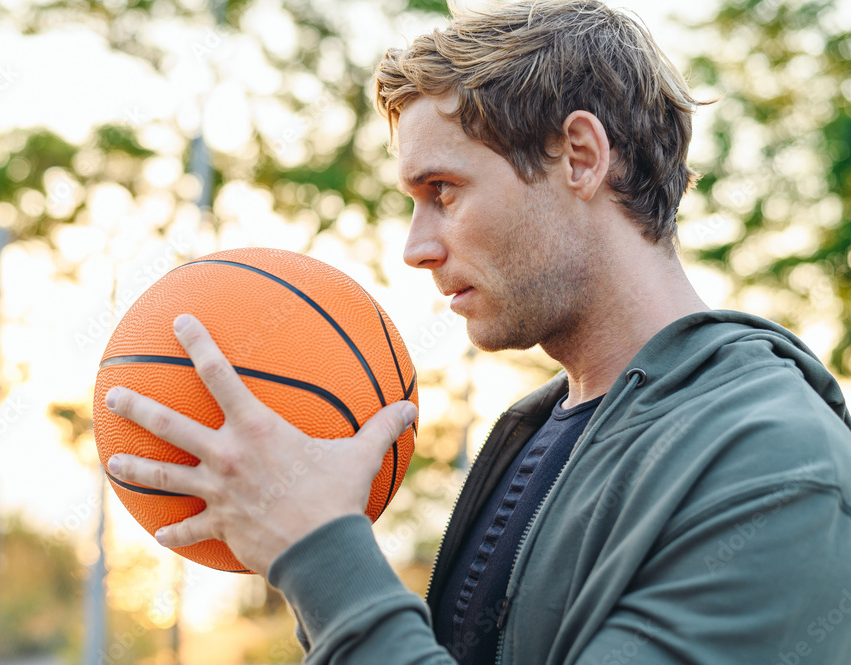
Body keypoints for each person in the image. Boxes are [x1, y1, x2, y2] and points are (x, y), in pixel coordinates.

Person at [102, 0, 851, 662]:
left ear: (580, 157)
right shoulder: (539, 432)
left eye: (443, 191)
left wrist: (319, 552)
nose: (416, 246)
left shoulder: (773, 461)